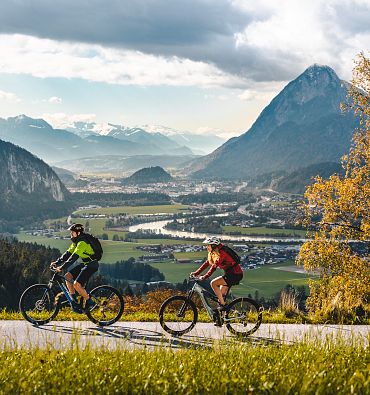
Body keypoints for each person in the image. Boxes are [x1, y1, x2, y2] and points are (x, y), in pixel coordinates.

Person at [50, 223, 99, 313]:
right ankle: (74, 301)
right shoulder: (76, 242)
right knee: (67, 277)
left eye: (72, 232)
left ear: (78, 233)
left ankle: (90, 301)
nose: (71, 234)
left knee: (77, 284)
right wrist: (57, 262)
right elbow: (68, 254)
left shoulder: (82, 243)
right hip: (85, 264)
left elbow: (73, 257)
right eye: (71, 232)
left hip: (92, 265)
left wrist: (62, 267)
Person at [191, 236, 243, 318]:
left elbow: (214, 266)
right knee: (220, 297)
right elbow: (207, 263)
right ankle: (221, 318)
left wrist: (205, 277)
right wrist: (196, 273)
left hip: (235, 275)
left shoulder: (222, 253)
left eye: (208, 245)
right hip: (230, 274)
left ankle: (223, 305)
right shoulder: (215, 252)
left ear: (213, 246)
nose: (207, 247)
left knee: (213, 283)